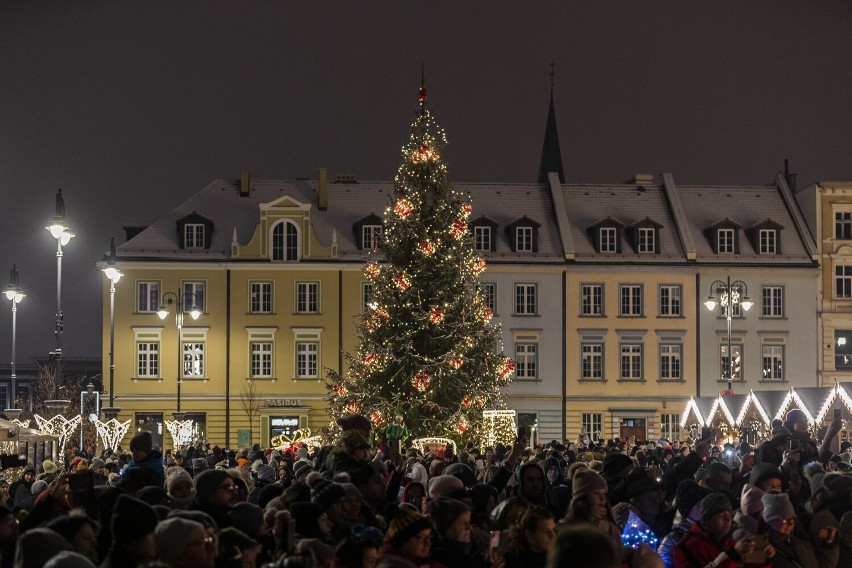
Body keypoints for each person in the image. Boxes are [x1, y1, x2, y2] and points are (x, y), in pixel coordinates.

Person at [673, 492, 773, 568]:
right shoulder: (686, 548)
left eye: (729, 515)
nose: (727, 520)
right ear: (706, 520)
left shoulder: (730, 543)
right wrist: (732, 556)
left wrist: (763, 557)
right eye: (721, 515)